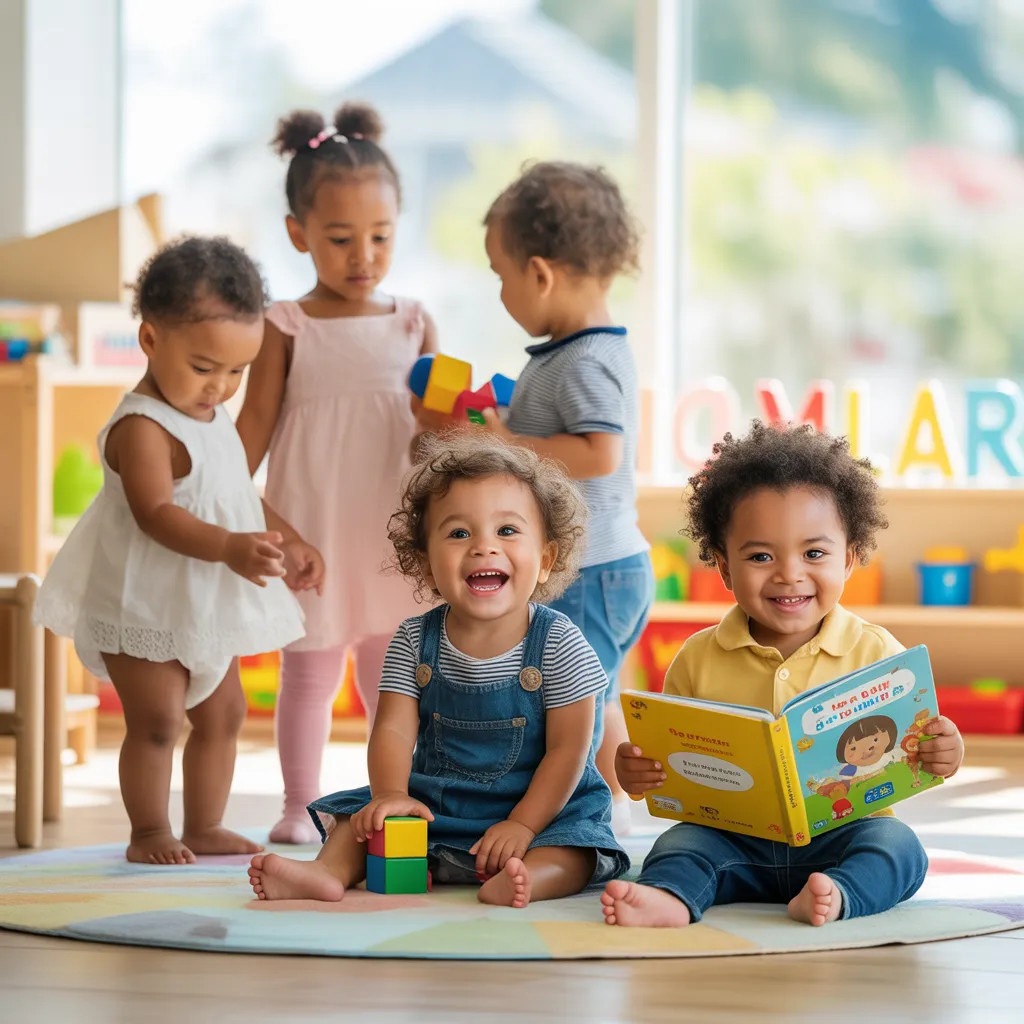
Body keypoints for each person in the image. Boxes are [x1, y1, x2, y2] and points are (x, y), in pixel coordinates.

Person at [604, 422, 965, 927]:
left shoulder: (878, 652)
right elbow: (667, 770)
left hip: (843, 835)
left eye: (814, 553)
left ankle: (839, 893)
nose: (789, 573)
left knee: (899, 848)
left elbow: (917, 748)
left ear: (851, 560)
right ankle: (672, 897)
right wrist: (635, 773)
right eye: (760, 556)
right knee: (678, 845)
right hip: (732, 843)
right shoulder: (697, 657)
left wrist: (945, 752)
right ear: (725, 567)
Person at [35, 237, 324, 865]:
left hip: (202, 604)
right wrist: (229, 548)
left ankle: (203, 823)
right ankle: (148, 832)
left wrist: (288, 539)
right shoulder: (142, 426)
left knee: (224, 715)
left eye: (236, 372)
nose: (220, 387)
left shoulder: (208, 413)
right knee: (159, 721)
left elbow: (232, 495)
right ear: (150, 340)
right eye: (203, 367)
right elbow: (157, 514)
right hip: (142, 601)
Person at [247, 433, 628, 908]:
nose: (483, 548)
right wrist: (390, 796)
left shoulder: (559, 642)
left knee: (577, 847)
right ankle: (327, 873)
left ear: (546, 560)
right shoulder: (413, 639)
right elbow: (391, 729)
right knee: (357, 815)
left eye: (507, 531)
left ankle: (531, 878)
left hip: (541, 810)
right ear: (426, 566)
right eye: (459, 533)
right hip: (438, 809)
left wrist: (523, 824)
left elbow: (570, 751)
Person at [418, 161, 654, 834]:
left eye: (500, 275)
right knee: (596, 691)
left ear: (541, 273)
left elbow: (599, 452)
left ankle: (603, 814)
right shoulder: (570, 353)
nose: (499, 292)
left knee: (580, 693)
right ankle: (607, 808)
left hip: (591, 567)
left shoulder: (584, 360)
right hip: (602, 566)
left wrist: (514, 442)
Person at [236, 102, 438, 844]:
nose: (364, 256)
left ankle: (394, 800)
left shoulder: (414, 321)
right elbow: (248, 436)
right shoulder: (285, 324)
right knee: (310, 673)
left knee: (393, 680)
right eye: (341, 238)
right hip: (312, 530)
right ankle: (298, 806)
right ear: (299, 234)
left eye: (380, 237)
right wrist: (246, 515)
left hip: (390, 530)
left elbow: (434, 438)